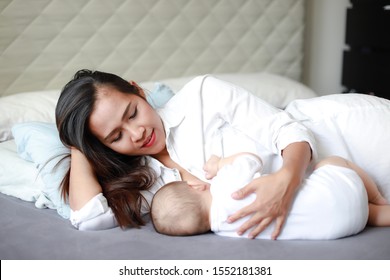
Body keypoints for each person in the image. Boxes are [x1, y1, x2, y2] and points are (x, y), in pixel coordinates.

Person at [55, 69, 315, 236]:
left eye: (133, 113)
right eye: (116, 136)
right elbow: (89, 218)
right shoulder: (141, 181)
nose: (137, 133)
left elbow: (289, 131)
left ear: (138, 90)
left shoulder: (202, 95)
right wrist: (79, 145)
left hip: (336, 136)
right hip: (325, 191)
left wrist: (286, 180)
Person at [150, 153, 390, 239]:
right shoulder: (223, 186)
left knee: (366, 213)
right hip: (338, 190)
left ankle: (375, 211)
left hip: (342, 226)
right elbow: (251, 159)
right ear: (195, 186)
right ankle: (378, 197)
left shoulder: (228, 232)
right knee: (332, 161)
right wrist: (219, 163)